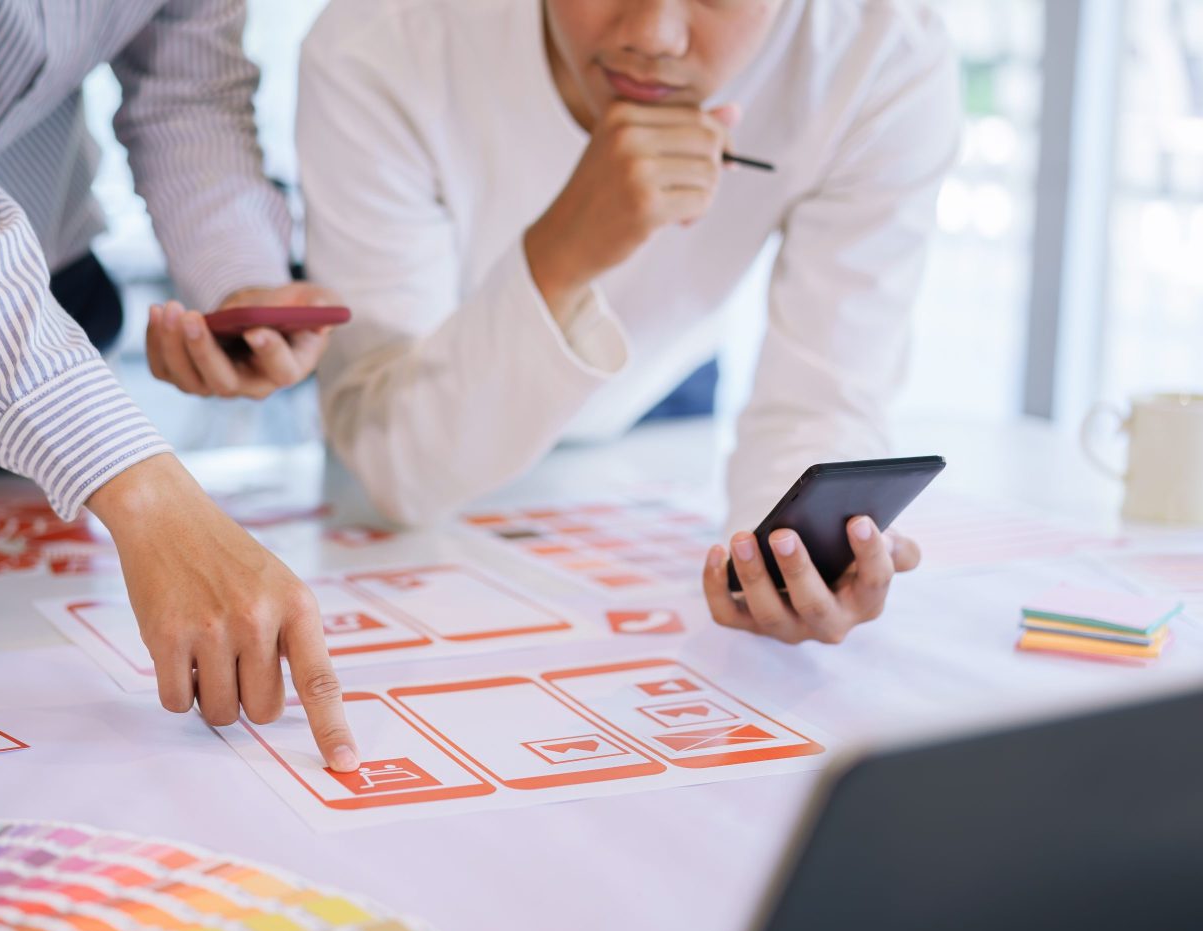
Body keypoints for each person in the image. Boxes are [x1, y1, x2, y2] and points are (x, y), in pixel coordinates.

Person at [0, 1, 356, 769]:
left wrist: (240, 281)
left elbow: (189, 91)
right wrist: (144, 492)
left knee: (0, 690)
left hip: (36, 323)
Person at [295, 0, 959, 645]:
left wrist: (796, 557)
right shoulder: (380, 39)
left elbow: (821, 399)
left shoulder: (882, 53)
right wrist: (561, 254)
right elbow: (395, 461)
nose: (654, 36)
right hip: (433, 427)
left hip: (664, 389)